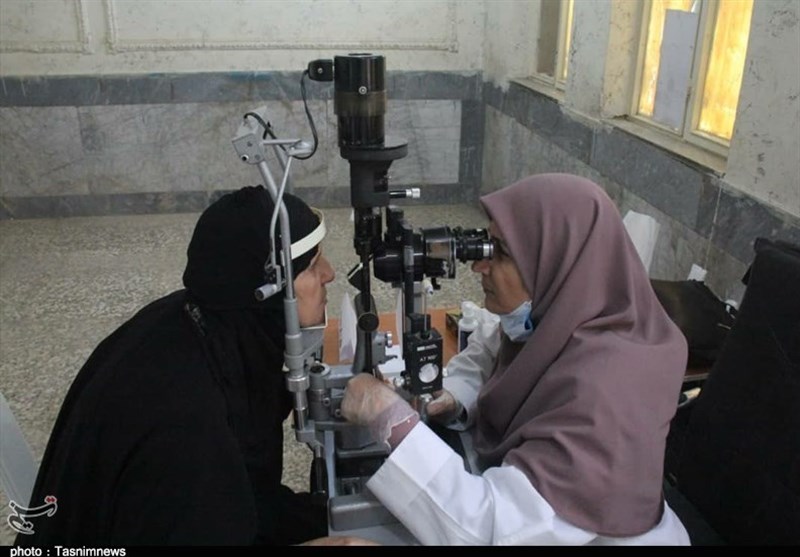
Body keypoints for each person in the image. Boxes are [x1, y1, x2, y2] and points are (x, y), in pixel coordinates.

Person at [341, 173, 691, 545]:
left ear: (557, 261)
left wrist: (388, 418)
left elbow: (488, 532)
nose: (479, 267)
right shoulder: (564, 315)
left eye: (502, 253)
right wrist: (453, 396)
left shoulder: (609, 394)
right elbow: (490, 351)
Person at [16, 185, 345, 545]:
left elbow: (244, 491)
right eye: (311, 266)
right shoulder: (188, 423)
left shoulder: (193, 318)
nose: (329, 274)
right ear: (266, 296)